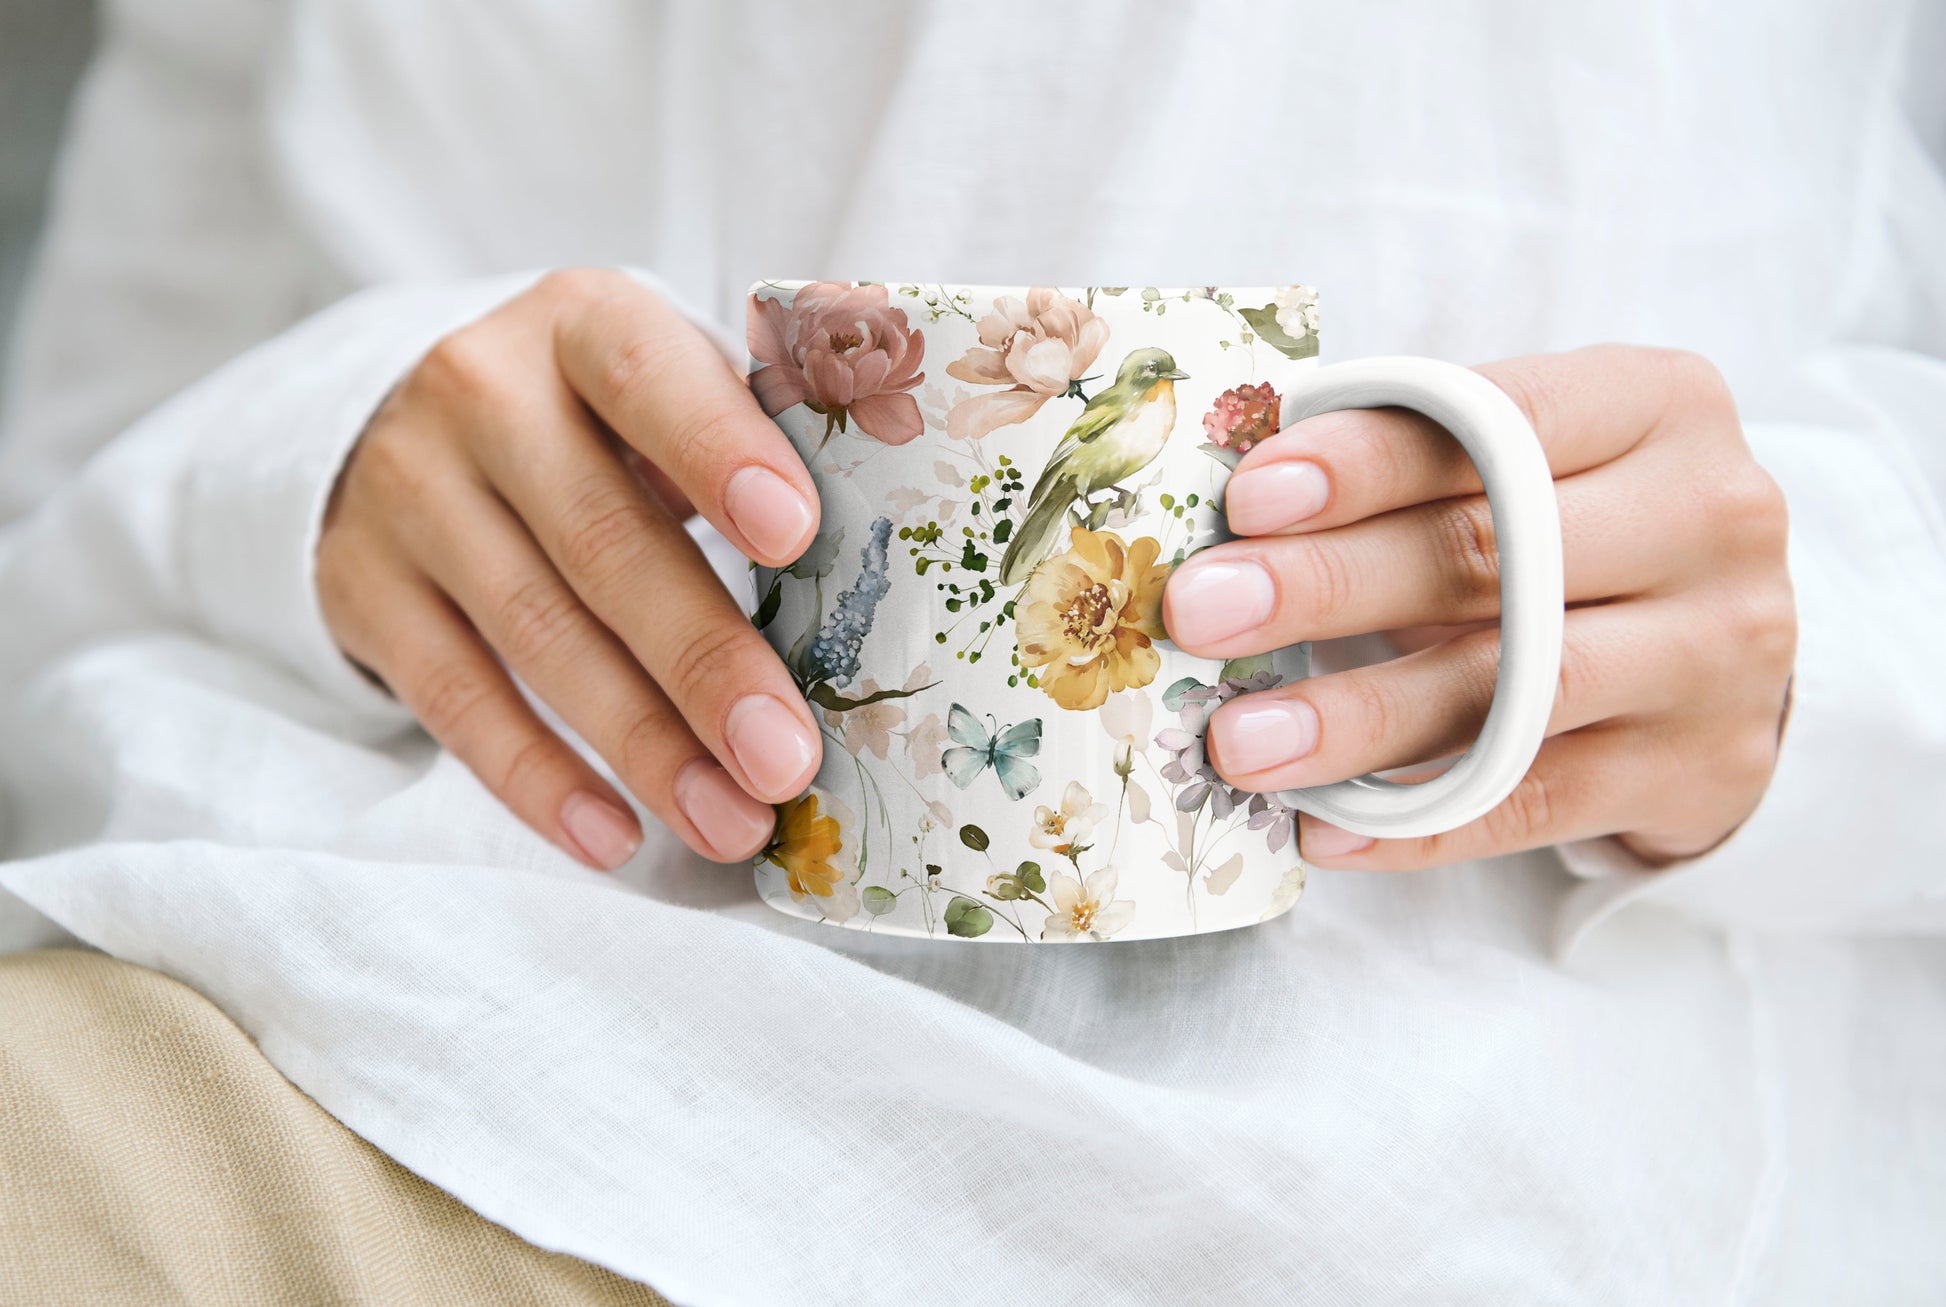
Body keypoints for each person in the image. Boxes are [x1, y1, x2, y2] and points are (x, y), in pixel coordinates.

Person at [0, 2, 1940, 1302]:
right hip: (424, 1008)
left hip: (1480, 1151)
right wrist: (319, 457)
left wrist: (1819, 637)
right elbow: (76, 473)